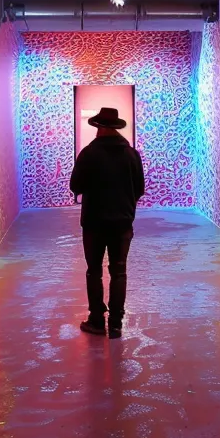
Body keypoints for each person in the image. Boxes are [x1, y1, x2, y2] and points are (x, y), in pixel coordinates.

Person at [69, 107, 145, 339]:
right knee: (119, 271)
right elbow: (139, 189)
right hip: (122, 223)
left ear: (100, 128)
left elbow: (75, 187)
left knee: (94, 271)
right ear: (116, 129)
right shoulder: (131, 154)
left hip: (94, 222)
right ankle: (115, 324)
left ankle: (96, 321)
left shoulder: (88, 154)